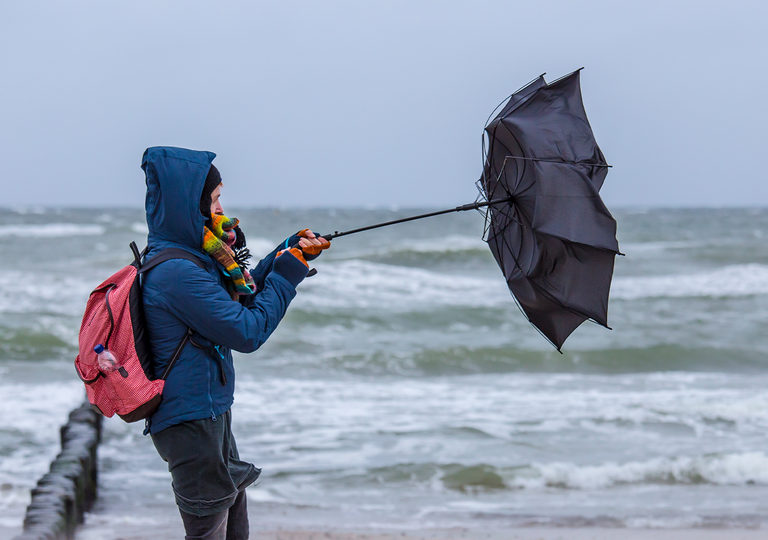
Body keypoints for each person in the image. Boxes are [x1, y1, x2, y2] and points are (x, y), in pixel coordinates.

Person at [140, 146, 329, 540]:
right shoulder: (176, 272)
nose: (222, 207)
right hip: (191, 423)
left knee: (235, 524)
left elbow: (241, 294)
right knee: (209, 530)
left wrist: (286, 251)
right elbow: (246, 331)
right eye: (214, 199)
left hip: (210, 413)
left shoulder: (197, 254)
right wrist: (288, 274)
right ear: (189, 204)